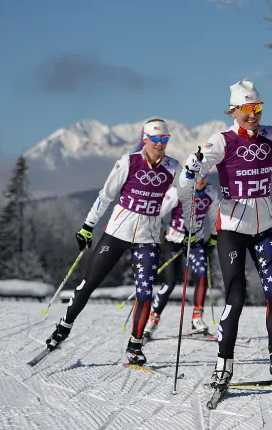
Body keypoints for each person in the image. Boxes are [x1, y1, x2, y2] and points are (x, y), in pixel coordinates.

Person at [182, 79, 272, 390]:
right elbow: (191, 173)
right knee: (236, 296)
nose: (253, 114)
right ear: (234, 111)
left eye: (257, 108)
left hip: (265, 230)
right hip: (233, 231)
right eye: (247, 109)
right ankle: (223, 363)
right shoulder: (222, 141)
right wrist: (191, 167)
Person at [45, 119, 192, 365]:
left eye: (164, 140)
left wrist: (190, 224)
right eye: (155, 140)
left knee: (145, 293)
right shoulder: (128, 162)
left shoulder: (173, 166)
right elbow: (106, 196)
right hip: (116, 234)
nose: (160, 144)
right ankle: (64, 326)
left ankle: (135, 345)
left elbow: (186, 195)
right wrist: (87, 227)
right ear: (145, 139)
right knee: (90, 282)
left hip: (147, 239)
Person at [145, 172, 220, 339]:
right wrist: (154, 232)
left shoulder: (210, 193)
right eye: (198, 176)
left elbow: (215, 217)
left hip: (196, 241)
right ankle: (153, 320)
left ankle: (197, 318)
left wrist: (213, 237)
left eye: (205, 175)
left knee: (201, 275)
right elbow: (157, 212)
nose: (201, 180)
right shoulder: (178, 191)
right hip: (174, 239)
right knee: (170, 282)